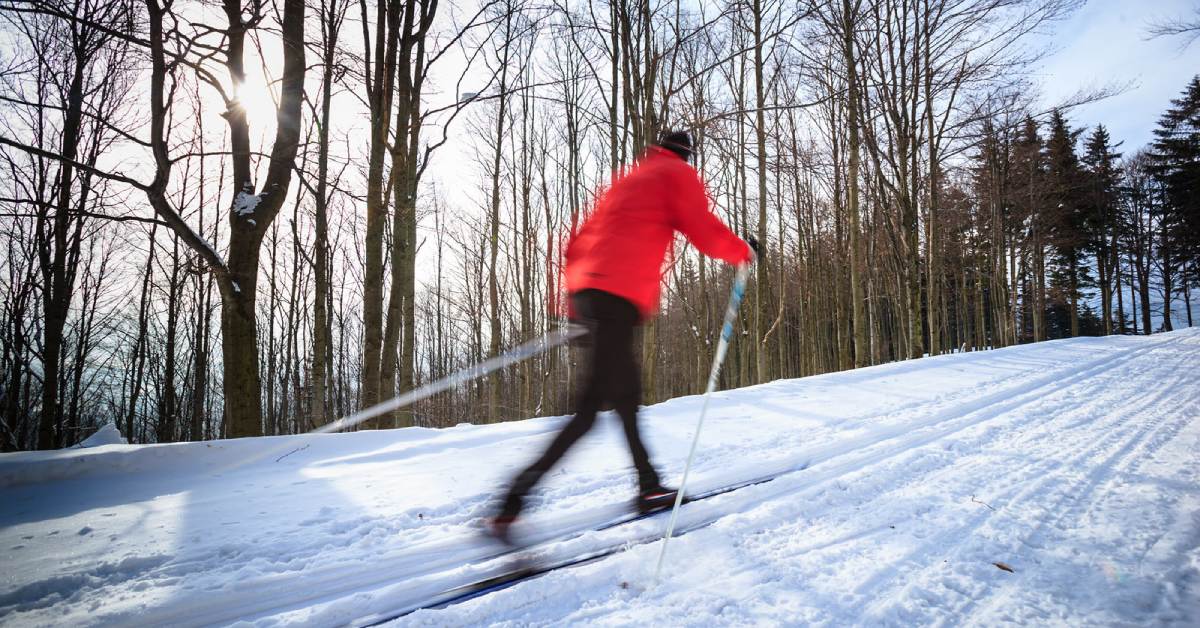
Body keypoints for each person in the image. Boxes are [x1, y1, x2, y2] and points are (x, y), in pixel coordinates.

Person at [488, 130, 757, 543]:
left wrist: (576, 305)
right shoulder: (676, 175)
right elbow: (701, 227)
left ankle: (647, 484)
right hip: (617, 297)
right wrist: (743, 250)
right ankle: (514, 499)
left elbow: (576, 242)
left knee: (625, 398)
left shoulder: (627, 178)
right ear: (687, 156)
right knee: (588, 411)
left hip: (592, 294)